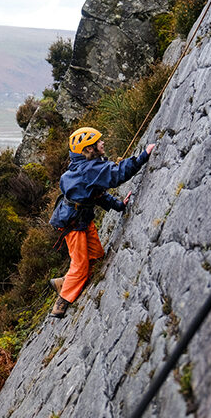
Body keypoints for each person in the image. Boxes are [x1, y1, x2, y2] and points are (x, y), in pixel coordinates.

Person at [48, 127, 155, 318]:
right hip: (73, 224)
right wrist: (142, 157)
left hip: (81, 219)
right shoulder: (89, 169)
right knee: (80, 266)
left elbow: (96, 194)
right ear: (89, 149)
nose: (102, 143)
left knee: (96, 256)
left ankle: (62, 282)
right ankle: (61, 302)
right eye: (98, 142)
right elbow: (117, 175)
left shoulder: (85, 166)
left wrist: (118, 205)